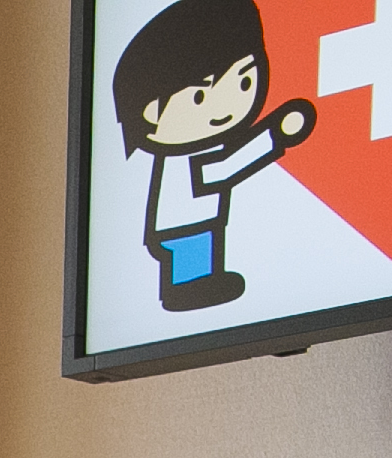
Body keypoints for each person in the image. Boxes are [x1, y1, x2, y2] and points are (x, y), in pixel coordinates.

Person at [110, 0, 313, 313]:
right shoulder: (182, 161)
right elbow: (222, 170)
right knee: (193, 256)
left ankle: (196, 284)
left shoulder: (195, 150)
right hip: (183, 226)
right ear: (150, 113)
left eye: (244, 81)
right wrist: (273, 135)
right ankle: (186, 291)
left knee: (201, 251)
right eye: (200, 96)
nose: (226, 107)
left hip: (196, 221)